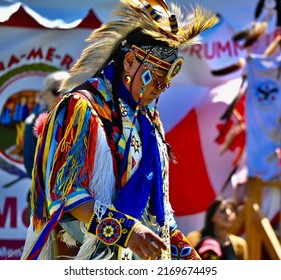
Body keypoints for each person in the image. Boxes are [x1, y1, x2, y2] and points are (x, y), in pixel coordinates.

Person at [21, 0, 218, 260]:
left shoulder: (149, 122)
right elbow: (66, 193)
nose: (162, 88)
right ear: (129, 62)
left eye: (167, 80)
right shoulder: (81, 108)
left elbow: (159, 212)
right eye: (157, 78)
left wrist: (186, 255)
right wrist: (127, 232)